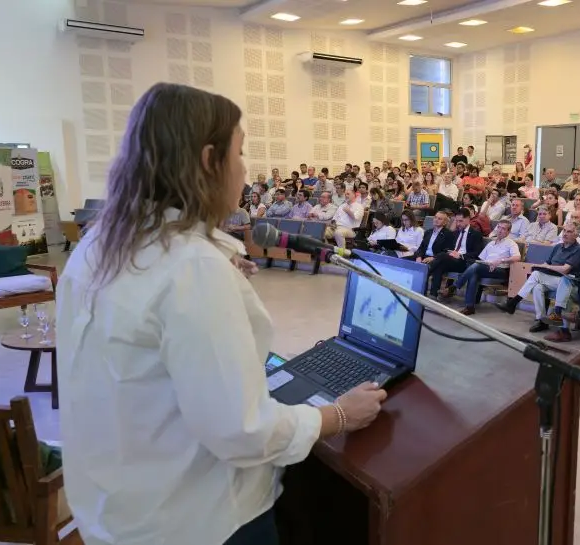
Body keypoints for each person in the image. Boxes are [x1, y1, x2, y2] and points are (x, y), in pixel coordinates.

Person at [55, 84, 387, 545]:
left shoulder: (99, 243)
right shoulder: (191, 268)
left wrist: (218, 281)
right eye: (241, 153)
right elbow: (242, 431)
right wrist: (337, 416)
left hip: (121, 507)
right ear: (210, 160)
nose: (245, 171)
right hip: (200, 521)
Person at [495, 223, 580, 333]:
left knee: (536, 275)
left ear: (576, 235)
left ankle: (513, 303)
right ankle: (541, 320)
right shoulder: (557, 247)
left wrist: (546, 267)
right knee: (538, 287)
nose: (565, 234)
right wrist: (540, 266)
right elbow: (547, 263)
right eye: (564, 231)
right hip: (552, 280)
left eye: (569, 232)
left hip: (568, 283)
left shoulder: (579, 250)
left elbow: (565, 270)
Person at [440, 220, 521, 315]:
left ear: (508, 232)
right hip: (486, 267)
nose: (500, 230)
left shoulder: (511, 243)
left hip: (500, 270)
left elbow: (517, 257)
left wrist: (501, 260)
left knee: (476, 267)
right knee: (474, 272)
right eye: (499, 227)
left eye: (503, 229)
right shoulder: (491, 244)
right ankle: (469, 307)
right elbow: (480, 259)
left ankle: (454, 286)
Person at [424, 208, 484, 297]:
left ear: (468, 219)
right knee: (439, 265)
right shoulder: (455, 233)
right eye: (456, 221)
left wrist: (460, 255)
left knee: (441, 257)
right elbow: (447, 248)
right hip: (450, 259)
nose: (458, 224)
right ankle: (433, 294)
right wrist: (449, 252)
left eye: (461, 221)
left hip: (463, 262)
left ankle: (424, 272)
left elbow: (477, 253)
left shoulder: (476, 234)